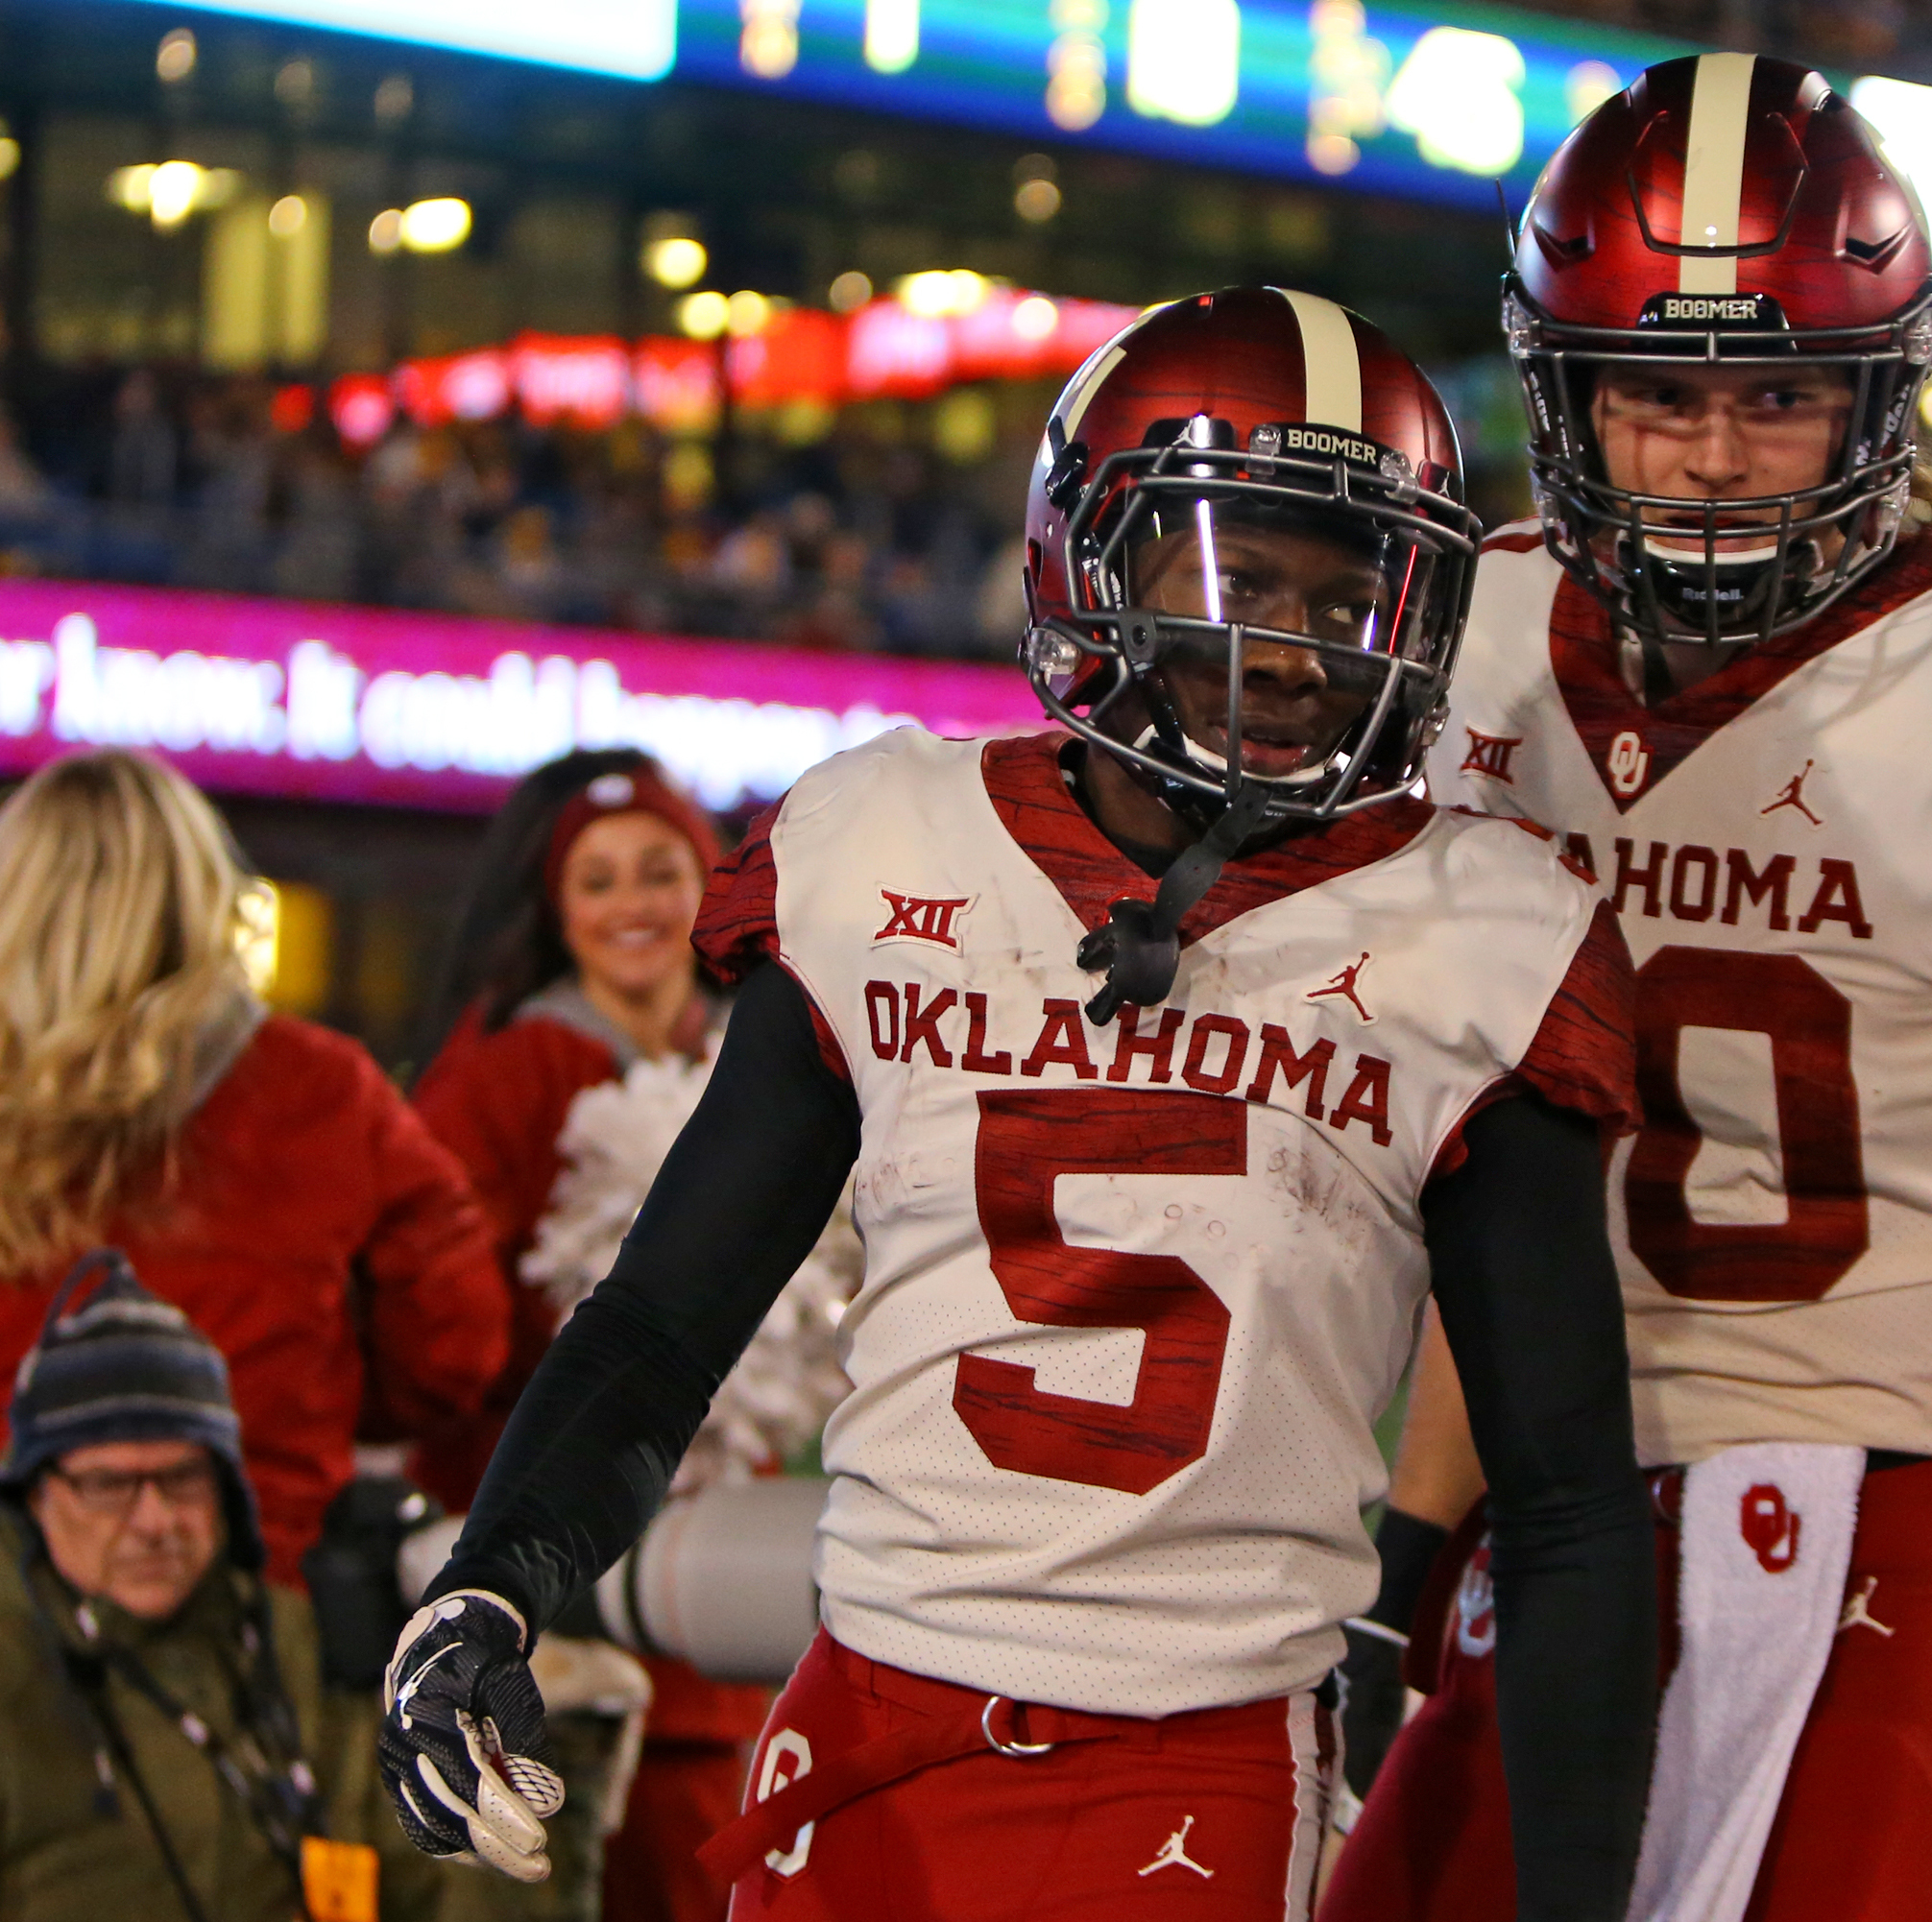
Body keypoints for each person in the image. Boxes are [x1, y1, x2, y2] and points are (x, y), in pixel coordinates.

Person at [375, 286, 1660, 1921]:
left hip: (1185, 1752)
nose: (1290, 644)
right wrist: (494, 1581)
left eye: (1352, 591)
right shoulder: (890, 839)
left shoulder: (1477, 930)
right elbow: (662, 1319)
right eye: (1238, 574)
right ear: (1091, 563)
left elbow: (1565, 1508)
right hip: (859, 1715)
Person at [1330, 56, 1932, 1922]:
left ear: (1884, 390)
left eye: (1778, 394)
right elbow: (1507, 1196)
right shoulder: (1485, 639)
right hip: (1562, 1495)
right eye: (1654, 394)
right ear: (1559, 389)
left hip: (1896, 1489)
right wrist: (1402, 1554)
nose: (1708, 456)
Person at [0, 749, 508, 1588]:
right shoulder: (321, 1087)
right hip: (262, 1593)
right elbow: (453, 1350)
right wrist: (310, 1389)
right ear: (204, 895)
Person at [410, 748, 771, 1922]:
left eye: (661, 870)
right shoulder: (511, 1064)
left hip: (723, 1601)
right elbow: (438, 1317)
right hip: (561, 1599)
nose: (634, 906)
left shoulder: (767, 1058)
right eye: (598, 880)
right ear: (556, 907)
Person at [0, 1248, 434, 1921]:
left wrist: (546, 1747)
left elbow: (434, 1889)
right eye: (109, 1485)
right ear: (36, 1496)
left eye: (183, 1478)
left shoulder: (297, 1648)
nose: (154, 1521)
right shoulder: (14, 1669)